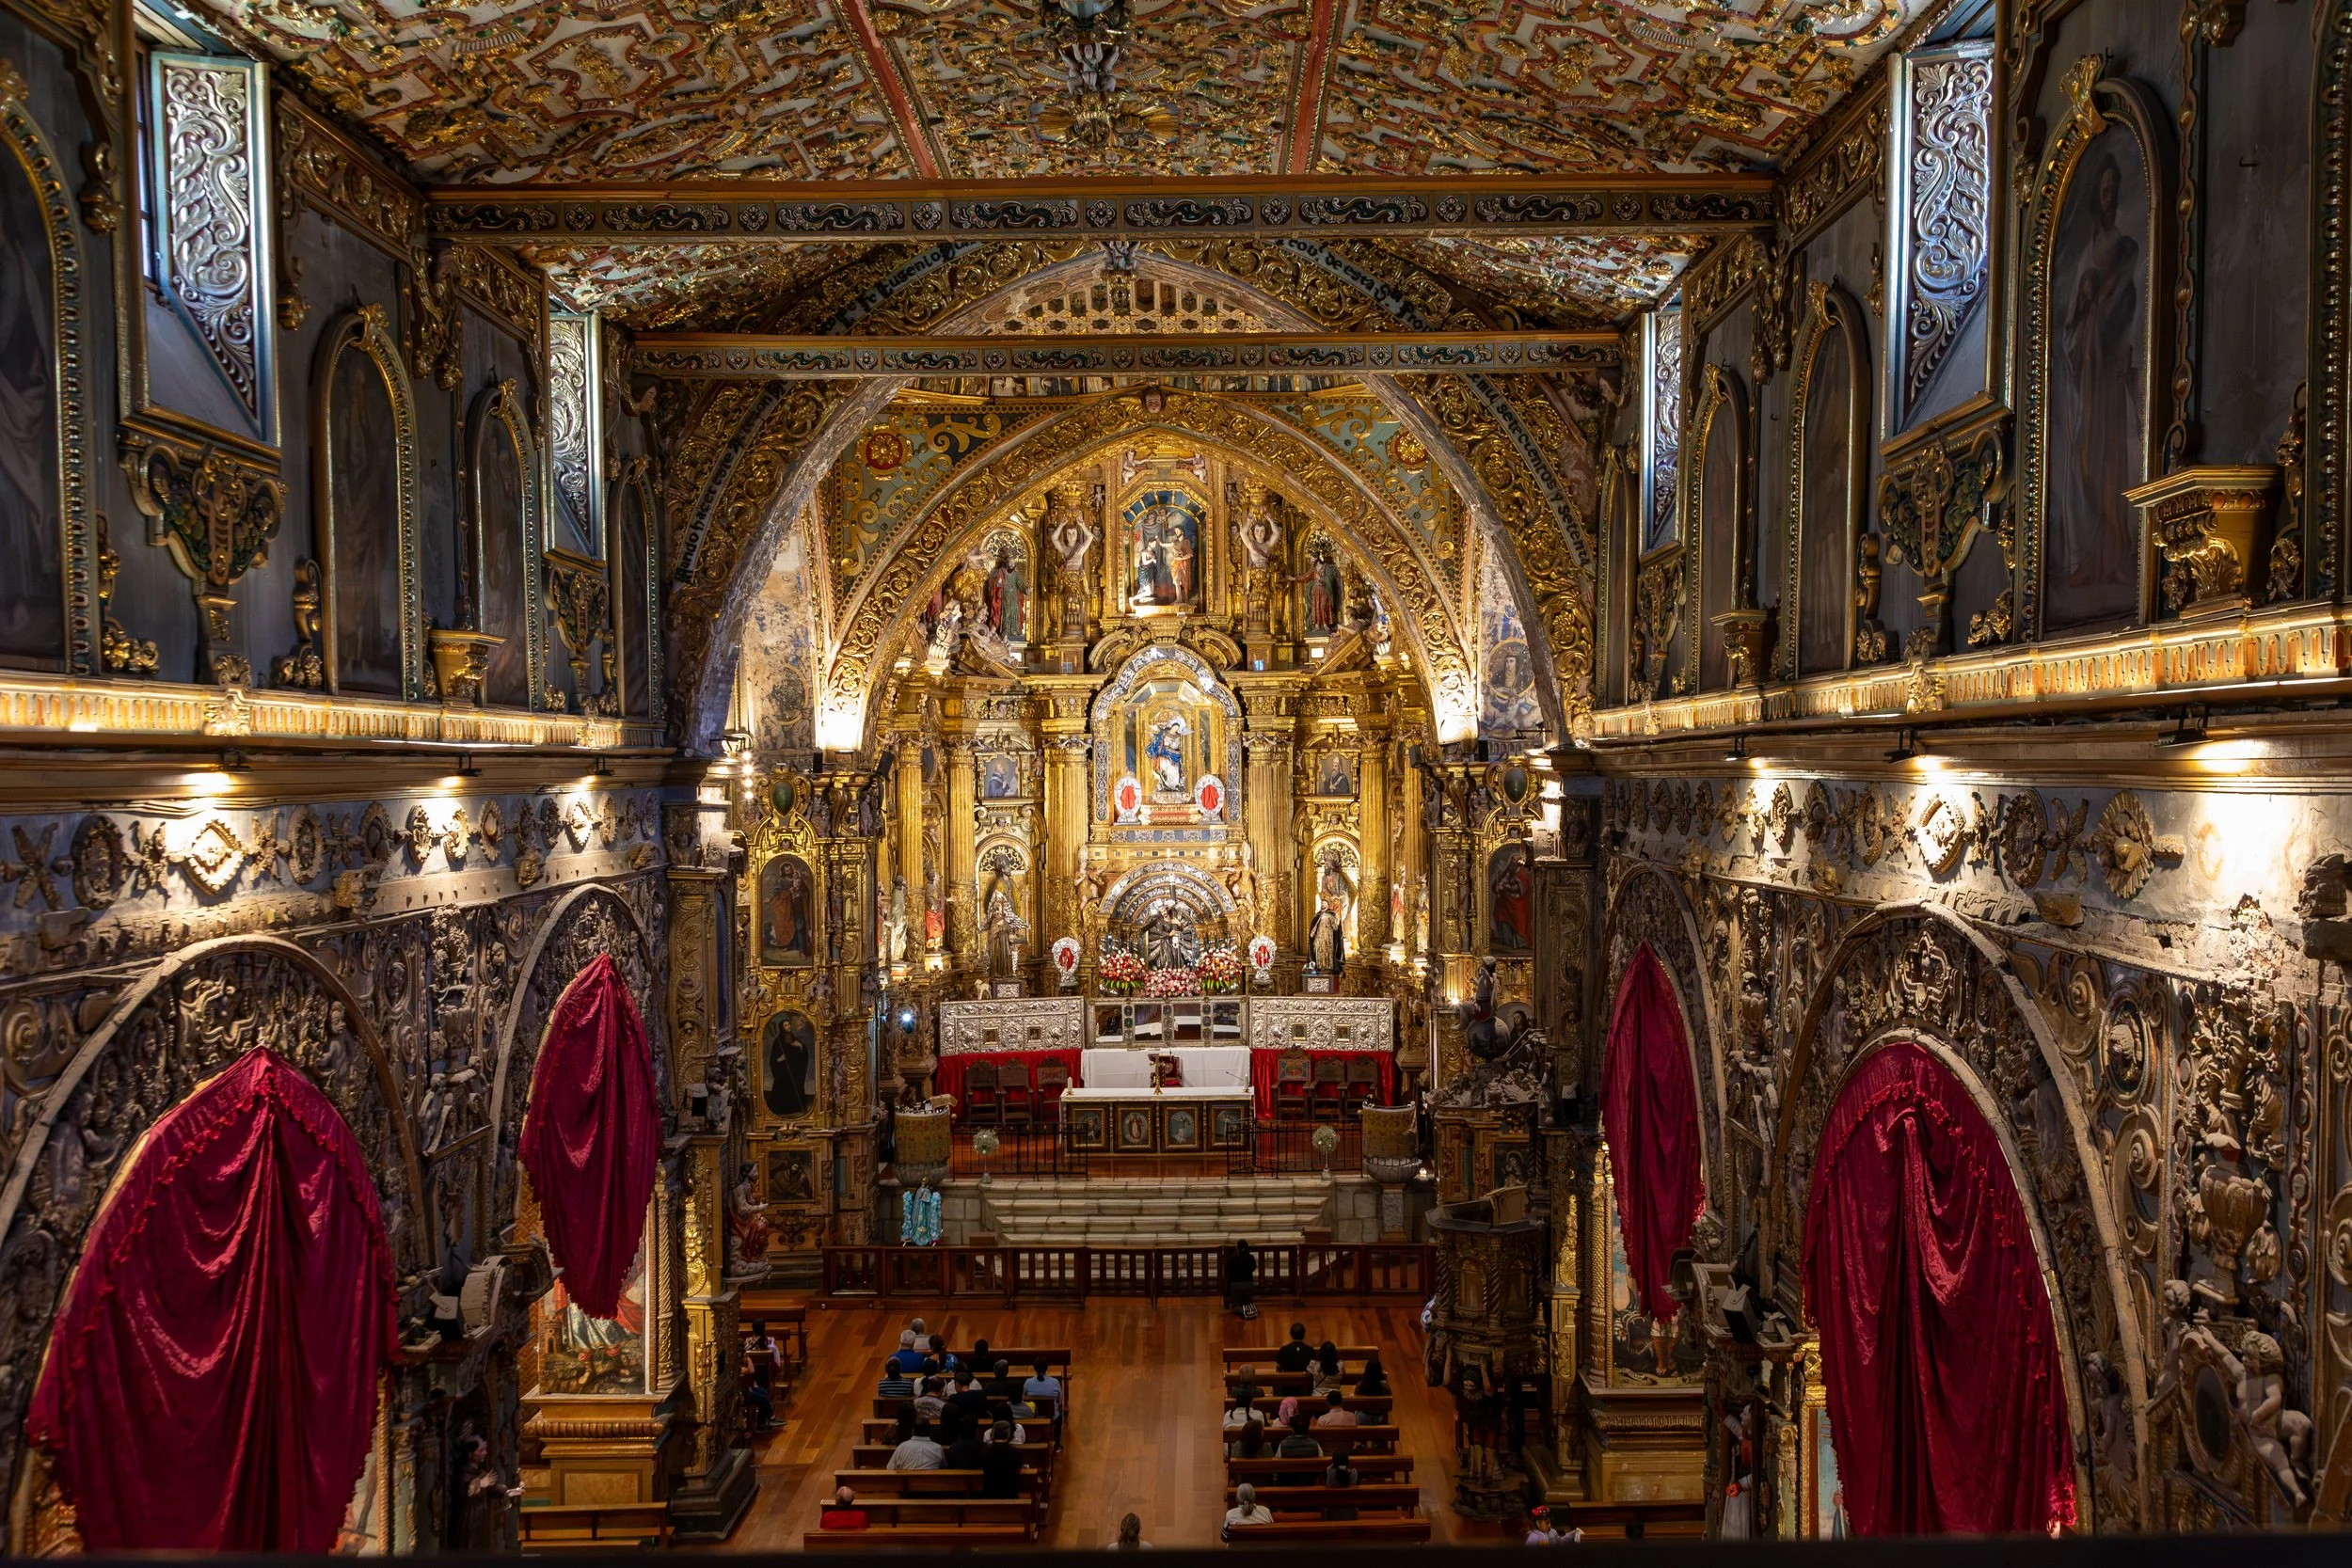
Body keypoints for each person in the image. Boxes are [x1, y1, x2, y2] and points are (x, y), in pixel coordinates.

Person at [979, 1424, 1025, 1498]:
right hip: (1010, 1494)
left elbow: (983, 1468)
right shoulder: (1015, 1452)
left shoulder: (984, 1451)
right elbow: (1018, 1471)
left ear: (993, 1433)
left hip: (989, 1493)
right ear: (1008, 1434)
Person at [1275, 1417, 1324, 1485]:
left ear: (1292, 1430)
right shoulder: (1315, 1444)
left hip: (1287, 1483)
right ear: (1308, 1428)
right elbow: (1320, 1464)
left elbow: (1277, 1465)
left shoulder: (1282, 1445)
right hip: (1309, 1483)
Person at [1320, 1455, 1360, 1521]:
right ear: (1347, 1462)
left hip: (1331, 1511)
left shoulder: (1328, 1472)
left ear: (1333, 1463)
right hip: (1351, 1511)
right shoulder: (1354, 1473)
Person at [1226, 1239, 1257, 1314]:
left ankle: (1241, 1310)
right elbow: (1253, 1268)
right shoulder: (1250, 1257)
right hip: (1248, 1284)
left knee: (1236, 1306)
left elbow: (1228, 1269)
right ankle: (1248, 1310)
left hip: (1235, 1285)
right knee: (1248, 1304)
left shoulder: (1232, 1257)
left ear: (1237, 1248)